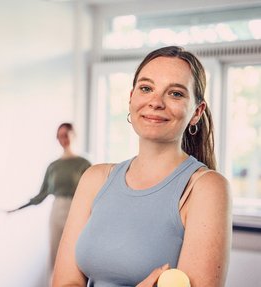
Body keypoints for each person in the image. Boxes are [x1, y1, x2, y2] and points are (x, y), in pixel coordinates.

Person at [52, 46, 232, 287]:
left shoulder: (206, 188)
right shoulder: (94, 179)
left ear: (196, 113)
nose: (155, 102)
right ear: (131, 98)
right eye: (146, 88)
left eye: (176, 93)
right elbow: (63, 283)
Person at [8, 122, 91, 272]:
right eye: (59, 136)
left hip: (78, 212)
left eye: (65, 135)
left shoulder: (83, 164)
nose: (63, 139)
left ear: (74, 135)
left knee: (77, 254)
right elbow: (42, 194)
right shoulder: (53, 166)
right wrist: (18, 208)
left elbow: (93, 192)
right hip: (56, 212)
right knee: (56, 254)